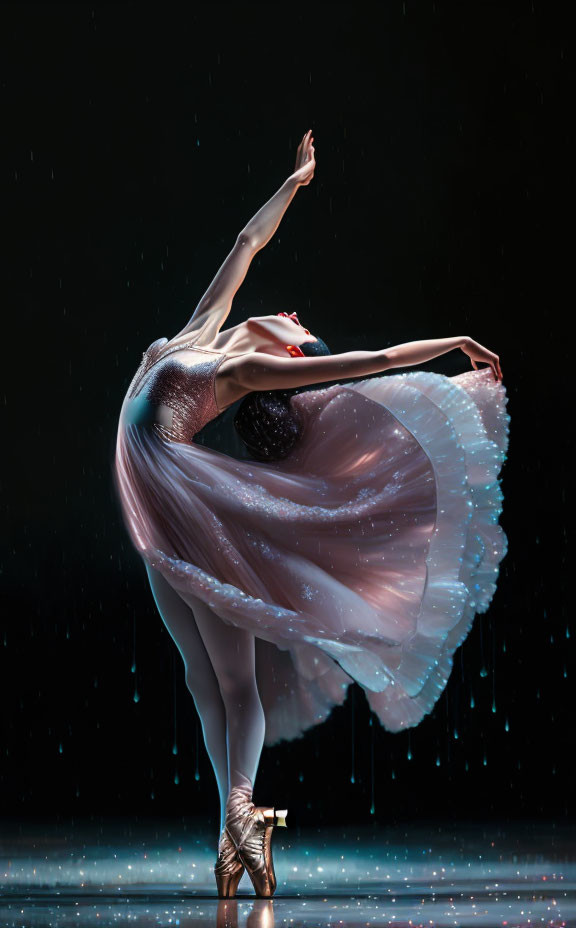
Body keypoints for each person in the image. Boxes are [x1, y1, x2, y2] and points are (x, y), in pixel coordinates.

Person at [113, 130, 509, 898]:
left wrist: (453, 342)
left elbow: (372, 361)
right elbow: (245, 241)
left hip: (188, 504)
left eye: (301, 326)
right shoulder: (202, 332)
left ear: (289, 355)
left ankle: (241, 818)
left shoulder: (243, 366)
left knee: (232, 682)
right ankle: (237, 829)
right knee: (203, 677)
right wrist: (295, 183)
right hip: (161, 508)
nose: (292, 312)